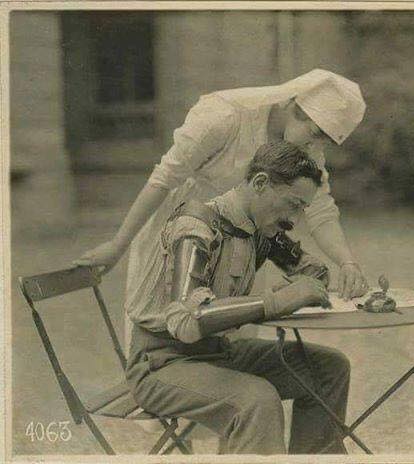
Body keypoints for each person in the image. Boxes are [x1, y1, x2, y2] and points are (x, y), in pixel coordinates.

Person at [74, 70, 369, 340]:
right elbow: (164, 178)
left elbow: (320, 210)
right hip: (185, 232)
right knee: (174, 330)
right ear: (291, 105)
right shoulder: (226, 117)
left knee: (234, 337)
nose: (315, 147)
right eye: (315, 133)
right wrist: (118, 244)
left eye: (325, 142)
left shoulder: (307, 152)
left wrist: (346, 262)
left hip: (240, 246)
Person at [125, 141, 350, 454]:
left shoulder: (259, 229)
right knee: (256, 400)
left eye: (301, 209)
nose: (294, 219)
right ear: (260, 183)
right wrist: (277, 301)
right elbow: (185, 322)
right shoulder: (196, 226)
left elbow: (314, 270)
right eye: (293, 204)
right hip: (163, 364)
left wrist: (330, 274)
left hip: (219, 352)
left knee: (328, 368)